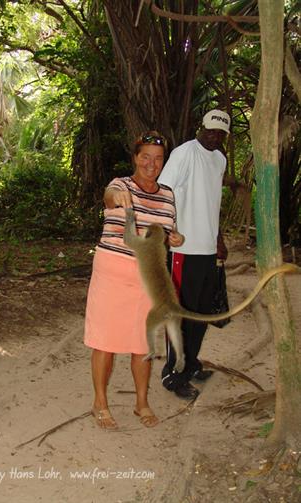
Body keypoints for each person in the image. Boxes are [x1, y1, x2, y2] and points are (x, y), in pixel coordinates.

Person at [84, 131, 185, 429]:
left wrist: (173, 238)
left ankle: (141, 403)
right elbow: (109, 196)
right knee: (105, 341)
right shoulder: (120, 185)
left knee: (143, 342)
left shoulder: (168, 196)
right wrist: (117, 198)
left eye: (157, 159)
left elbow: (163, 233)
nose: (151, 164)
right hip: (113, 270)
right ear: (135, 158)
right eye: (145, 157)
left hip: (147, 275)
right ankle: (99, 403)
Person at [157, 109, 230, 400]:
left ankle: (192, 363)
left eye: (220, 133)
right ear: (201, 127)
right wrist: (167, 231)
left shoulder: (219, 159)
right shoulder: (185, 153)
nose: (214, 136)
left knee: (200, 313)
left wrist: (218, 237)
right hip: (183, 249)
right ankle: (173, 375)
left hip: (207, 250)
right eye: (210, 130)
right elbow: (164, 192)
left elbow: (213, 203)